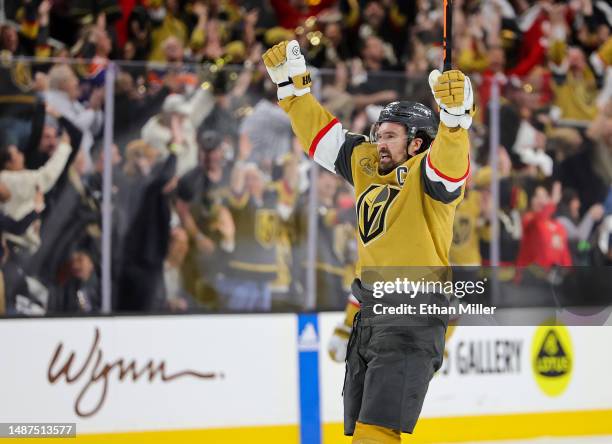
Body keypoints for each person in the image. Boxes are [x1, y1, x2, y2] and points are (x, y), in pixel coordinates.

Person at [263, 40, 472, 442]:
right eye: (378, 133)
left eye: (390, 136)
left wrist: (455, 119)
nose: (379, 142)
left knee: (375, 435)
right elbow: (324, 140)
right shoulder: (367, 162)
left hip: (413, 316)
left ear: (416, 144)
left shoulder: (427, 176)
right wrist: (293, 92)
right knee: (362, 432)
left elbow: (450, 164)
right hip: (371, 317)